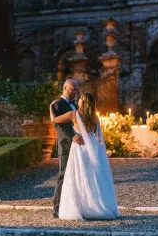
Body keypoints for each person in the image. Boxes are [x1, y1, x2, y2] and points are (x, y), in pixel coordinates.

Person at [50, 91, 120, 221]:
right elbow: (99, 138)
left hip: (79, 148)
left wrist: (50, 107)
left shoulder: (74, 114)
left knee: (78, 177)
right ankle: (96, 206)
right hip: (92, 146)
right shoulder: (95, 117)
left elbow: (54, 120)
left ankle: (81, 207)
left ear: (83, 102)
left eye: (81, 99)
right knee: (92, 177)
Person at [52, 79, 84, 218]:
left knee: (76, 176)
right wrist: (73, 136)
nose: (75, 91)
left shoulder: (75, 105)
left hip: (78, 146)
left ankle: (72, 206)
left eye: (76, 89)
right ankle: (57, 208)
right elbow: (59, 124)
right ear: (65, 88)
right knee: (63, 176)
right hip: (66, 143)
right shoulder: (57, 104)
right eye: (73, 89)